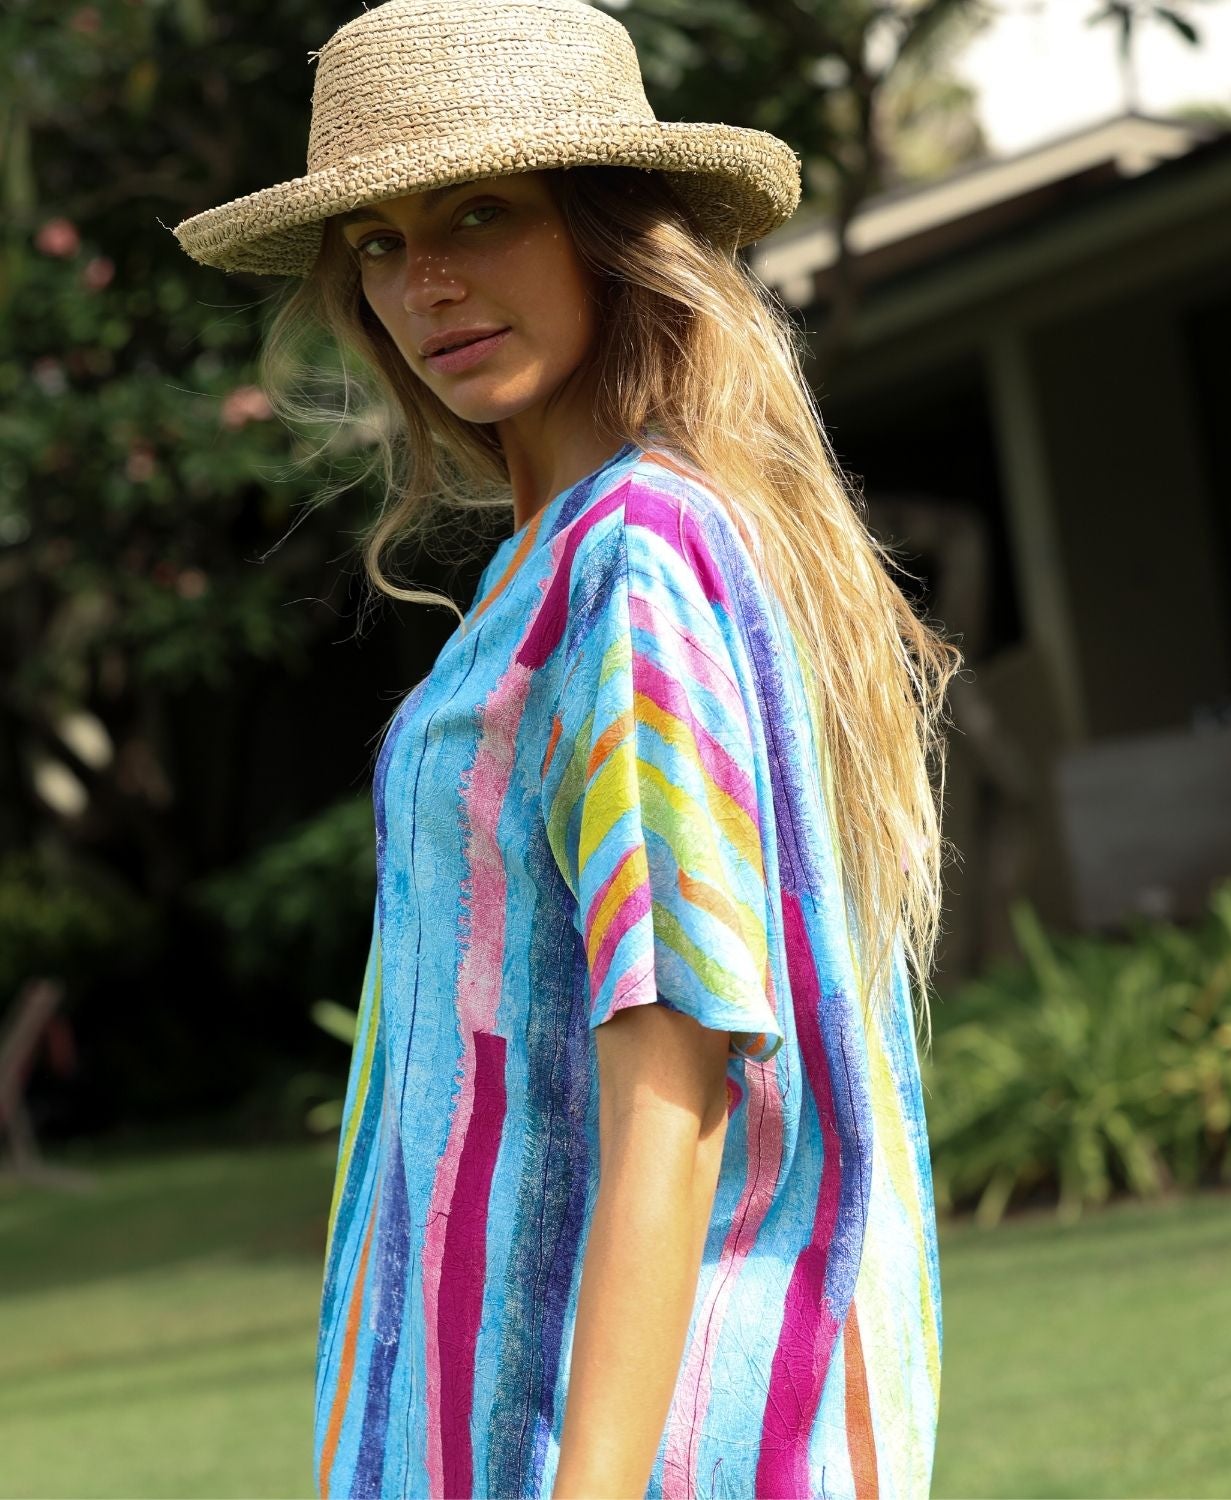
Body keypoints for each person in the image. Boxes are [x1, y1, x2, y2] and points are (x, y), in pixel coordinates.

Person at [172, 2, 961, 1497]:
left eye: (483, 213)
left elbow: (678, 1053)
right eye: (385, 243)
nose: (431, 282)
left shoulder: (634, 560)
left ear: (610, 233)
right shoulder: (563, 561)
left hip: (603, 1454)